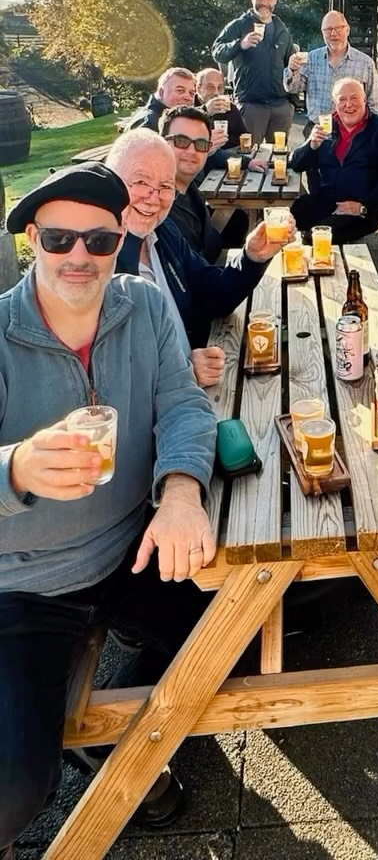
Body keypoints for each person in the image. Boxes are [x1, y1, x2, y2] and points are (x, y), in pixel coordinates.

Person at [0, 163, 220, 850]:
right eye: (60, 239)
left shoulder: (143, 304)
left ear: (120, 243)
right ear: (31, 240)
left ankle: (117, 745)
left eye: (99, 242)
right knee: (12, 789)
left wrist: (181, 492)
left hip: (131, 547)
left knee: (241, 628)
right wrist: (14, 467)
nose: (79, 257)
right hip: (24, 587)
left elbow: (183, 403)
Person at [107, 131, 293, 386]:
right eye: (140, 181)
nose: (154, 197)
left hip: (202, 378)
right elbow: (108, 377)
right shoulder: (97, 262)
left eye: (165, 186)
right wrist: (181, 371)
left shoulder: (161, 232)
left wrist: (252, 257)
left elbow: (213, 294)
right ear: (110, 181)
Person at [289, 77, 378, 243]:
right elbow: (295, 164)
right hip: (327, 200)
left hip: (364, 208)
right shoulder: (326, 126)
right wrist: (311, 145)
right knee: (281, 222)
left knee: (318, 237)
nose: (349, 105)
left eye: (354, 98)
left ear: (364, 100)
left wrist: (363, 205)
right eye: (342, 99)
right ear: (334, 104)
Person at [160, 105, 261, 258]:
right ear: (161, 143)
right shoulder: (160, 207)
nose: (192, 151)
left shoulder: (188, 191)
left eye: (201, 144)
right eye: (181, 141)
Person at [211, 0, 295, 146]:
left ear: (275, 1)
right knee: (248, 156)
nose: (264, 2)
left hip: (280, 107)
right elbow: (217, 51)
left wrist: (291, 103)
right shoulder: (239, 25)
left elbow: (289, 64)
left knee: (278, 158)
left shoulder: (282, 30)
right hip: (251, 106)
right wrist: (240, 44)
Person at [283, 10, 378, 129]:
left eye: (338, 28)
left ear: (347, 30)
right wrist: (292, 69)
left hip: (353, 133)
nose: (333, 33)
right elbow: (293, 88)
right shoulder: (312, 58)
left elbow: (374, 105)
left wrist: (372, 134)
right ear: (322, 33)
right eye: (328, 29)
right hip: (317, 131)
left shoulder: (365, 63)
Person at [125, 67, 197, 132]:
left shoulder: (180, 120)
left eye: (191, 93)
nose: (187, 97)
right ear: (162, 92)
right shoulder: (147, 124)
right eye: (180, 91)